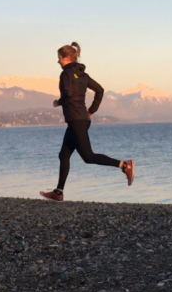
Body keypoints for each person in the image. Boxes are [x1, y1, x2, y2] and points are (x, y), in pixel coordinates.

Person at [40, 42, 134, 202]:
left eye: (59, 59)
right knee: (64, 155)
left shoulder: (66, 74)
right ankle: (58, 192)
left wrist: (58, 102)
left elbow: (68, 95)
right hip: (80, 119)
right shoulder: (83, 74)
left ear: (66, 58)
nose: (58, 62)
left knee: (88, 157)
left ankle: (125, 165)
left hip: (76, 120)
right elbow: (100, 90)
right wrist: (91, 110)